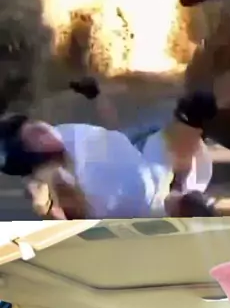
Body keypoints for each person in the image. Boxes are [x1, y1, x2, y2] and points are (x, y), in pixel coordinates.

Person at [0, 91, 216, 219]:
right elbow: (73, 220)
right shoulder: (54, 177)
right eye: (34, 137)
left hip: (147, 159)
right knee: (188, 202)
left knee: (197, 105)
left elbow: (113, 133)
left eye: (34, 125)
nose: (42, 129)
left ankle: (182, 184)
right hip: (148, 206)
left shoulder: (63, 133)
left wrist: (98, 97)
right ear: (32, 157)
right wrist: (47, 208)